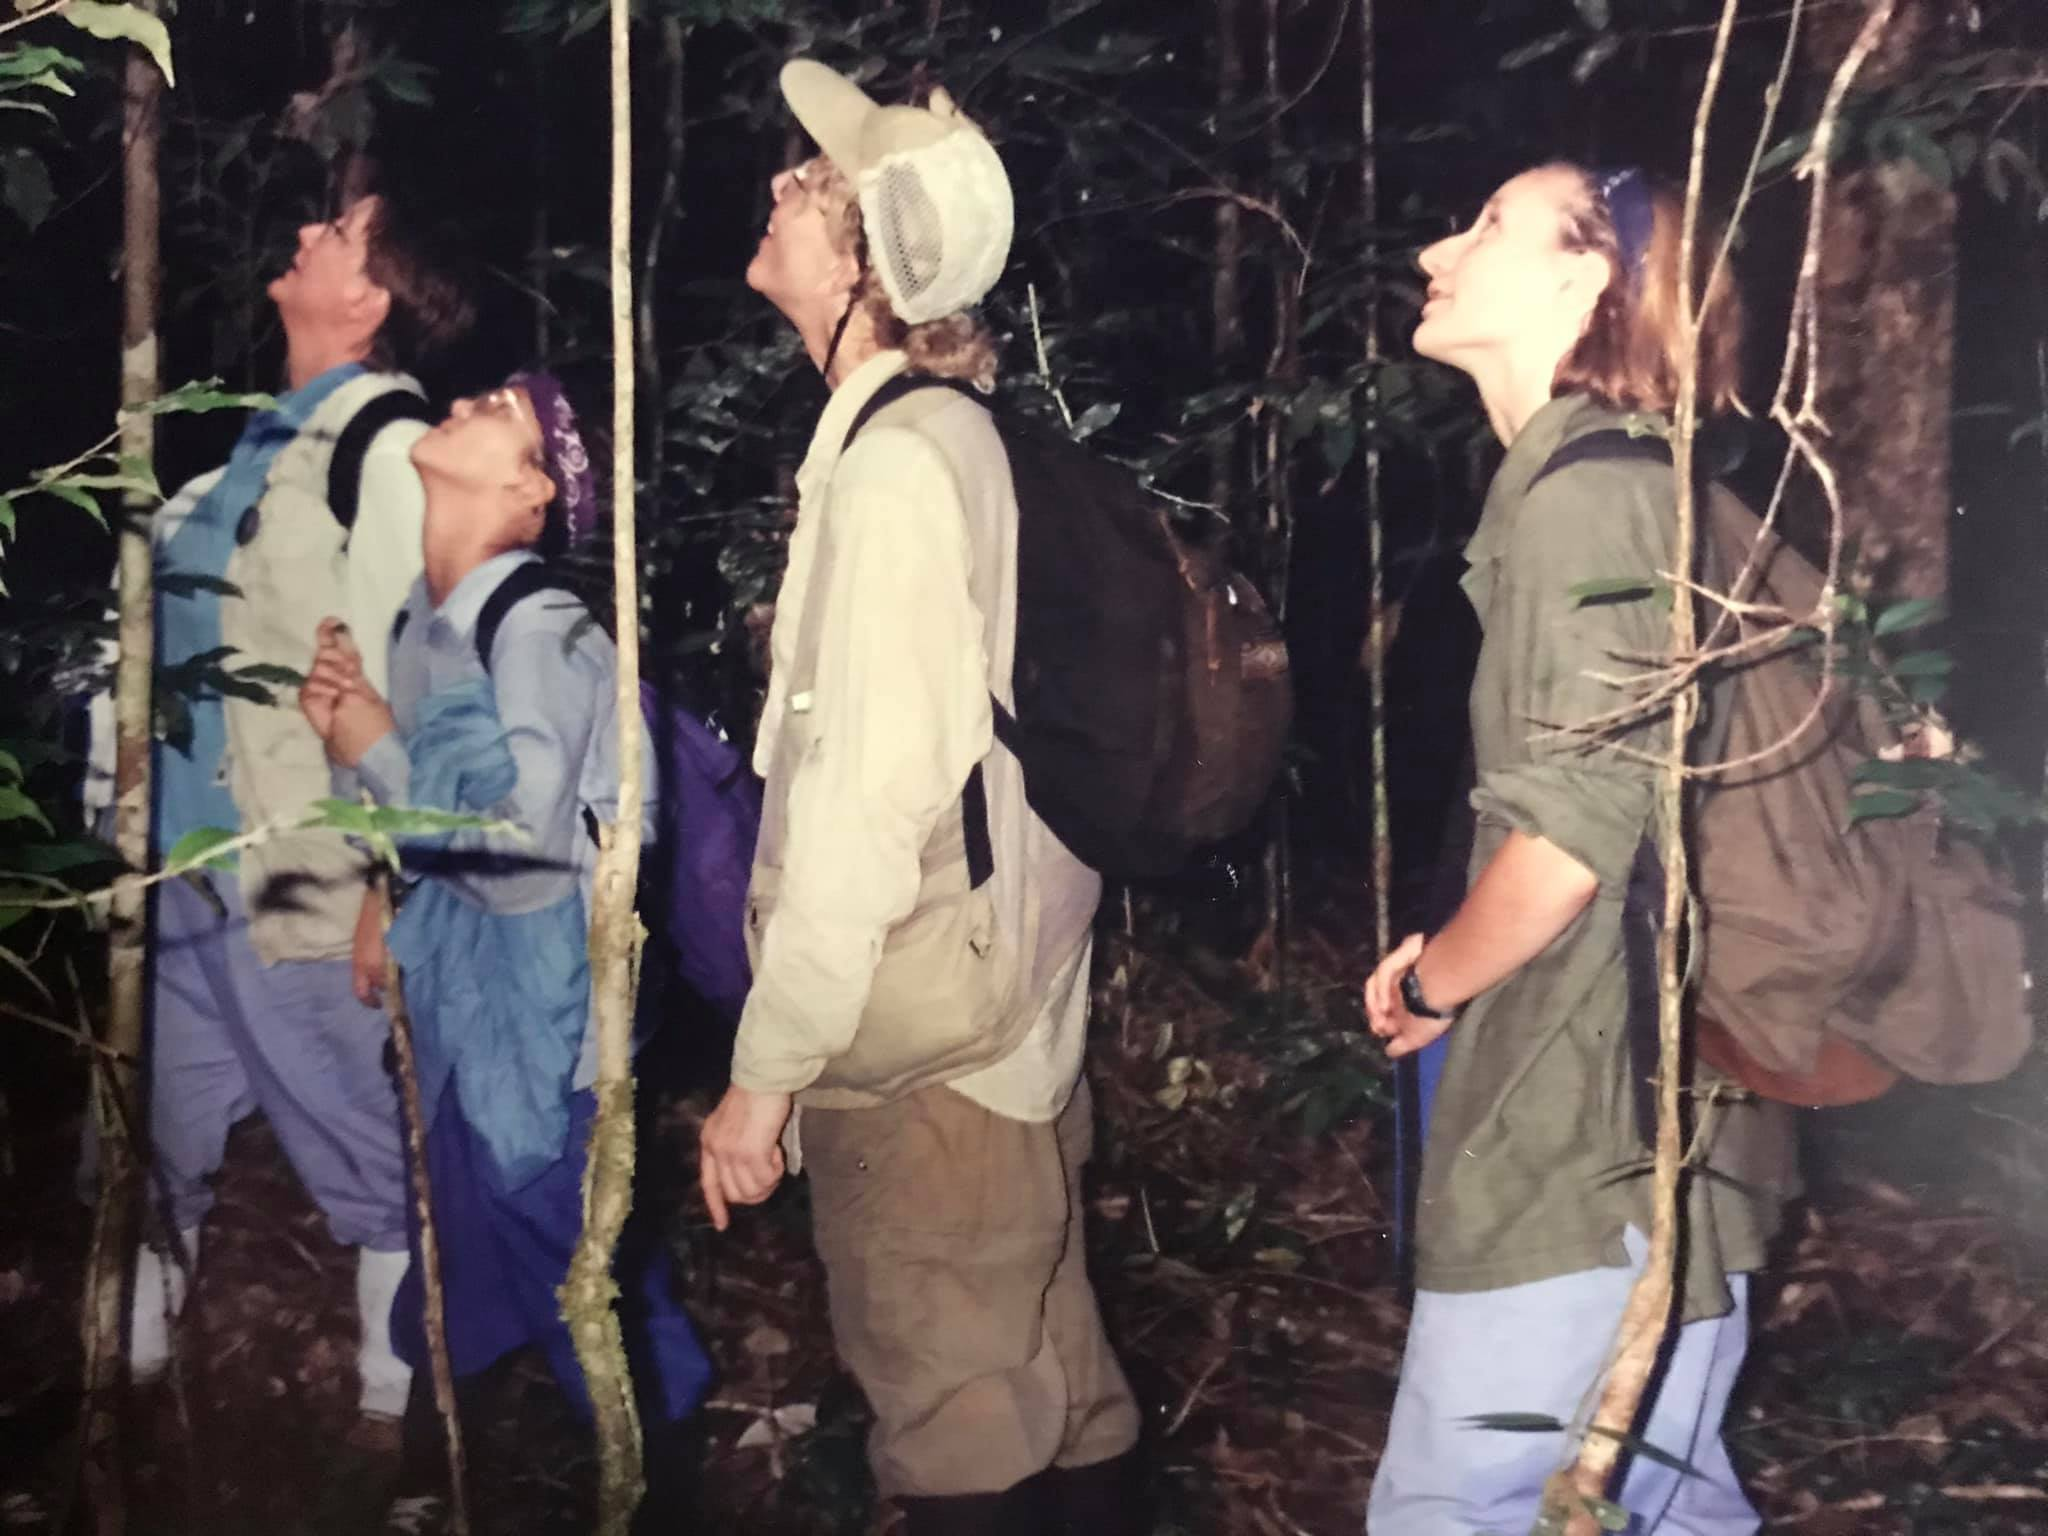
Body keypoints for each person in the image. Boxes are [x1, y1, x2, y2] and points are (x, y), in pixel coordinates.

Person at [696, 61, 1143, 1534]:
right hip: (1013, 1018)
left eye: (806, 189)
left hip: (927, 1058)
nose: (776, 192)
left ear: (863, 261)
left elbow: (863, 807)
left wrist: (768, 1074)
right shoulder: (956, 438)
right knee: (1057, 1386)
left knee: (956, 1427)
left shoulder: (896, 473)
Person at [1361, 163, 1800, 1534]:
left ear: (1586, 278)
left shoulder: (1588, 506)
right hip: (1665, 1139)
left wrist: (1436, 984)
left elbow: (1571, 841)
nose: (1440, 241)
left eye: (1486, 222)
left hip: (1586, 1143)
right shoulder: (1634, 492)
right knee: (1666, 1506)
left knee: (1456, 1509)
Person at [298, 375, 710, 1523]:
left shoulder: (541, 625)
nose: (471, 398)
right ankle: (438, 1480)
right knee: (461, 1251)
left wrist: (373, 749)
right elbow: (415, 811)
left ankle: (664, 1486)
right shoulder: (422, 622)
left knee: (577, 1264)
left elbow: (522, 842)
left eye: (503, 411)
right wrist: (348, 733)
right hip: (460, 1015)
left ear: (530, 492)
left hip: (545, 1032)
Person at [110, 188, 474, 1427]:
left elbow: (418, 681)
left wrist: (393, 885)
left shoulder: (388, 446)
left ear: (368, 302)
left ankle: (390, 1421)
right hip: (184, 863)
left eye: (343, 231)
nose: (308, 229)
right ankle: (132, 1389)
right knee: (160, 1143)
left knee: (363, 1143)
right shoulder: (261, 441)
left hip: (300, 872)